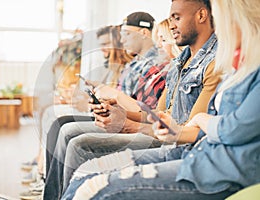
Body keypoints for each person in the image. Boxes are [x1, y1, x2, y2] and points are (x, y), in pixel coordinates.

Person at [62, 0, 260, 199]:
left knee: (80, 147)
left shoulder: (216, 63)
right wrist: (123, 114)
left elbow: (191, 129)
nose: (171, 25)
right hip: (188, 148)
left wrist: (127, 122)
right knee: (83, 170)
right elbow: (161, 114)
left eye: (176, 18)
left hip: (185, 149)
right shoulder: (179, 62)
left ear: (201, 16)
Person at [43, 11, 168, 200]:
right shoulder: (136, 64)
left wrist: (116, 105)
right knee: (61, 124)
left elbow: (147, 111)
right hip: (131, 118)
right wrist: (109, 103)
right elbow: (144, 109)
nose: (122, 40)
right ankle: (51, 191)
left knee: (71, 134)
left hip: (147, 129)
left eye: (126, 34)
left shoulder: (158, 65)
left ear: (144, 33)